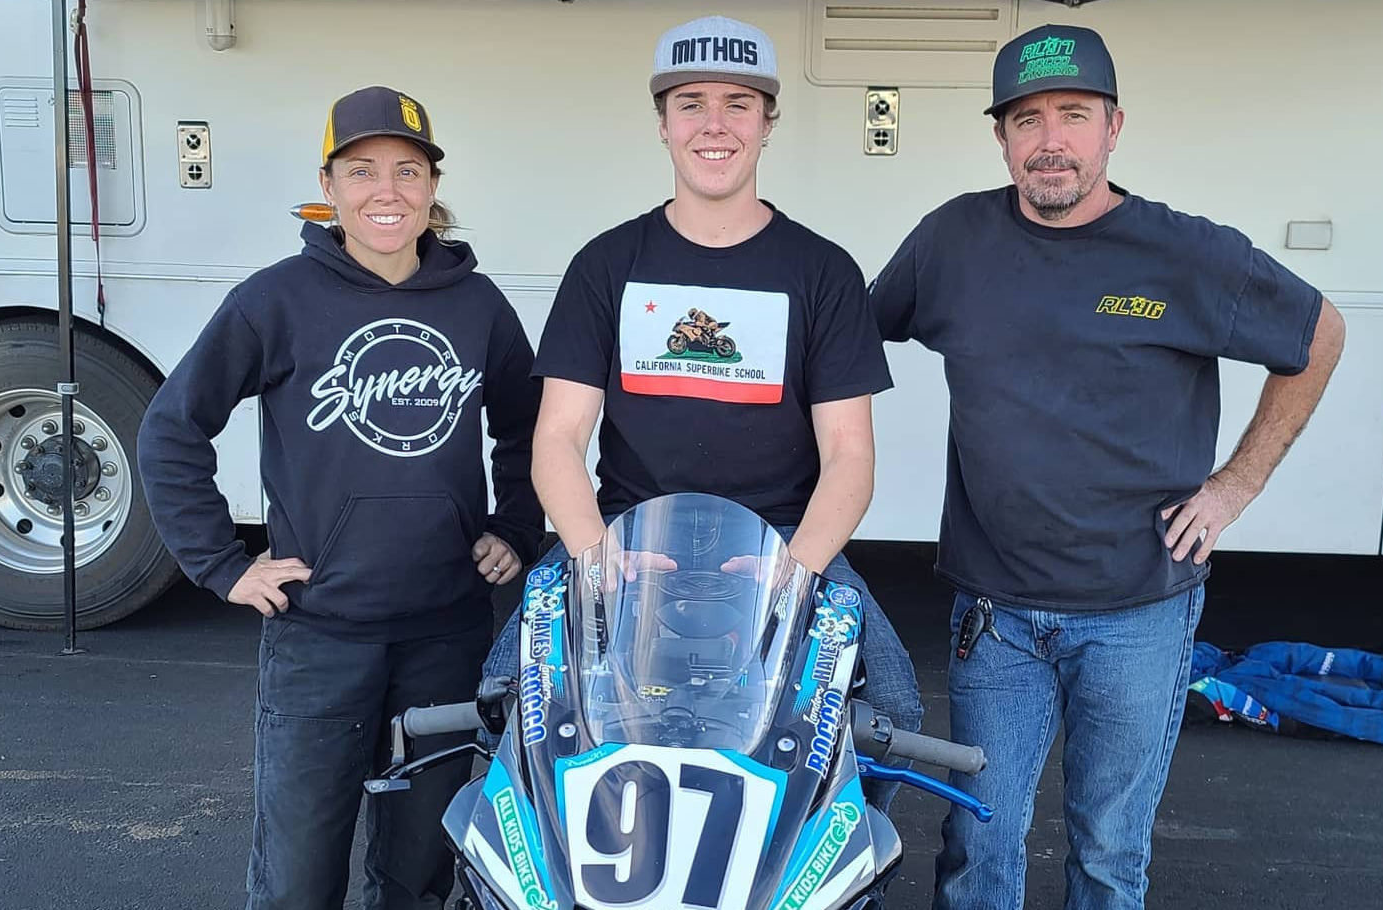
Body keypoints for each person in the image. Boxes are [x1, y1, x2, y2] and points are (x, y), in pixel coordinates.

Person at [866, 24, 1345, 910]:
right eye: (1027, 119)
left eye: (1073, 115)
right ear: (1001, 136)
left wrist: (1237, 484)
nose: (1051, 140)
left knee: (1107, 849)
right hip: (995, 615)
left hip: (1140, 611)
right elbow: (849, 342)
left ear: (1113, 128)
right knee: (977, 840)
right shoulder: (951, 241)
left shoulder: (1188, 255)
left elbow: (1318, 337)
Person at [482, 15, 923, 810]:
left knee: (889, 703)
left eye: (737, 103)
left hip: (783, 538)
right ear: (662, 124)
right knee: (503, 691)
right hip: (620, 532)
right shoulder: (608, 264)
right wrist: (594, 558)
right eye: (690, 103)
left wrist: (799, 571)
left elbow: (850, 457)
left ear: (766, 123)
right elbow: (557, 437)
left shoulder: (820, 271)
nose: (713, 124)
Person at [136, 85, 543, 910]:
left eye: (406, 171)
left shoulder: (478, 305)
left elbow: (531, 428)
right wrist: (222, 564)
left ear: (433, 188)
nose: (384, 192)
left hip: (445, 630)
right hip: (318, 638)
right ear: (329, 184)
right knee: (298, 877)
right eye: (361, 171)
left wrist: (514, 526)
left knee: (419, 873)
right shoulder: (275, 299)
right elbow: (171, 430)